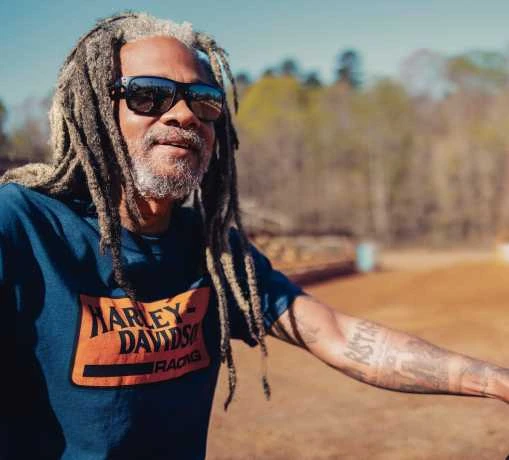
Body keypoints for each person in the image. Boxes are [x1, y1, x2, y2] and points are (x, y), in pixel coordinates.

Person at [1, 11, 507, 460]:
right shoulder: (20, 226)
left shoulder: (213, 252)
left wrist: (495, 380)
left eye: (204, 101)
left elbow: (337, 334)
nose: (183, 114)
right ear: (92, 110)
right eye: (147, 95)